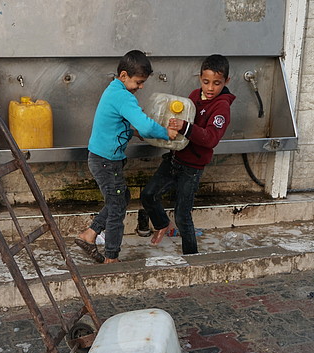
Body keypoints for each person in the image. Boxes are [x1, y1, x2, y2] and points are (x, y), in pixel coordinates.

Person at [75, 50, 178, 264]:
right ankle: (111, 258)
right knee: (116, 208)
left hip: (102, 158)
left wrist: (133, 132)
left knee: (121, 199)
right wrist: (165, 133)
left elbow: (113, 124)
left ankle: (90, 234)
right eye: (138, 82)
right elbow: (145, 124)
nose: (140, 87)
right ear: (123, 76)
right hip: (106, 162)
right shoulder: (123, 96)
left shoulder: (114, 90)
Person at [141, 54, 236, 255]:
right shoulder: (193, 96)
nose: (210, 88)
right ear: (199, 78)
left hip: (192, 168)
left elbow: (211, 138)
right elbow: (178, 118)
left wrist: (186, 127)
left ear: (226, 81)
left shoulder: (221, 107)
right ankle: (162, 223)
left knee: (183, 215)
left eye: (217, 83)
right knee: (148, 194)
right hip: (174, 158)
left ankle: (192, 257)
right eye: (206, 82)